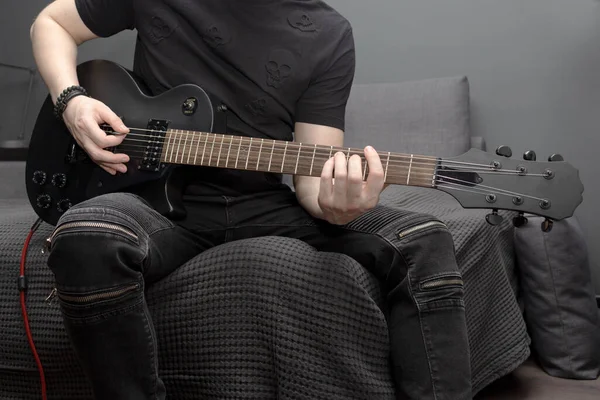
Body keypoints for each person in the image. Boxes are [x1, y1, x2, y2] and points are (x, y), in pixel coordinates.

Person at [30, 0, 472, 399]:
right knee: (87, 234)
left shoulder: (328, 33)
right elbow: (50, 22)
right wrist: (71, 101)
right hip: (150, 199)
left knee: (423, 237)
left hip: (265, 205)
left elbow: (312, 184)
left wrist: (340, 205)